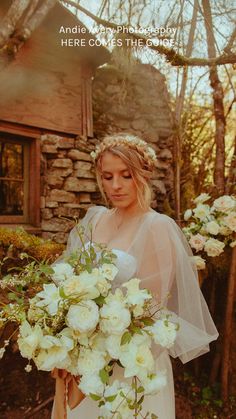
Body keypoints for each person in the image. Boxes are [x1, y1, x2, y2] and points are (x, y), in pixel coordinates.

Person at [52, 133, 218, 419]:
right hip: (83, 358)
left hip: (129, 360)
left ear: (143, 175)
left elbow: (153, 307)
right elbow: (69, 283)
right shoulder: (95, 218)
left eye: (126, 176)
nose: (115, 186)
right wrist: (64, 336)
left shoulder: (157, 227)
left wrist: (106, 344)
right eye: (107, 176)